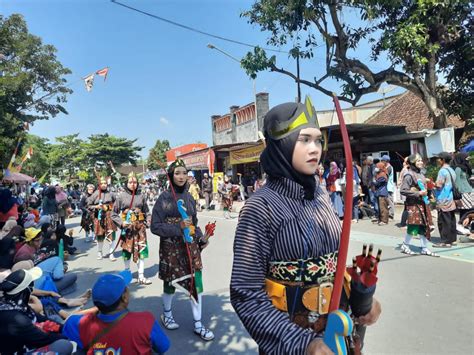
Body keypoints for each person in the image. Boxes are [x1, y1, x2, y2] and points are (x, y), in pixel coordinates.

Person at [230, 99, 380, 354]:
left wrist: (363, 302)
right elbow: (246, 293)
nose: (315, 148)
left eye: (318, 140)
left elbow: (333, 266)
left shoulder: (321, 195)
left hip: (339, 337)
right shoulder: (260, 207)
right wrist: (303, 343)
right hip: (294, 343)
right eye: (304, 140)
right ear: (281, 145)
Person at [150, 159, 215, 341]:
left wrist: (201, 238)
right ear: (171, 175)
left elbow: (194, 223)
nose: (181, 176)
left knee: (197, 283)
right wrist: (178, 227)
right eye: (177, 173)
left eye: (184, 173)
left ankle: (198, 324)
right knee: (170, 283)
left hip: (190, 247)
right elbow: (155, 226)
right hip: (171, 248)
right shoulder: (163, 198)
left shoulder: (190, 198)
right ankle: (167, 314)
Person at [62, 270, 170, 354]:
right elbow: (163, 347)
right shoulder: (145, 321)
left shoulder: (80, 323)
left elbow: (68, 323)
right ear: (125, 297)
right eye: (126, 289)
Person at [0, 268, 74, 354]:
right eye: (31, 287)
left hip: (29, 340)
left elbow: (41, 318)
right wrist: (69, 336)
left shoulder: (14, 304)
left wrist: (64, 328)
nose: (33, 290)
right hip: (20, 351)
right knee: (65, 345)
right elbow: (42, 338)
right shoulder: (14, 317)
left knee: (61, 323)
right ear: (26, 291)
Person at [111, 172, 151, 285]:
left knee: (142, 250)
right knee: (127, 251)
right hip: (127, 229)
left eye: (135, 182)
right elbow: (113, 214)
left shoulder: (142, 196)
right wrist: (121, 223)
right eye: (130, 182)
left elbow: (147, 211)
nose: (133, 184)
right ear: (126, 183)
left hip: (140, 228)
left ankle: (141, 276)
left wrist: (148, 221)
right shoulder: (121, 197)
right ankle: (127, 273)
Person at [399, 154, 438, 256]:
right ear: (412, 163)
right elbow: (403, 190)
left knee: (424, 225)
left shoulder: (421, 174)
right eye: (418, 161)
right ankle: (405, 245)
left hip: (423, 203)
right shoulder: (409, 175)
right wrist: (418, 193)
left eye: (421, 160)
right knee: (414, 225)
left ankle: (424, 248)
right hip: (413, 204)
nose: (420, 162)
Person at [87, 176, 117, 261]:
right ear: (99, 184)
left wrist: (113, 209)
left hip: (109, 216)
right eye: (102, 183)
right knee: (100, 236)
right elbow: (88, 206)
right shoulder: (95, 194)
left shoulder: (111, 194)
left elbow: (116, 203)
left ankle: (111, 253)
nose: (104, 185)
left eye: (105, 183)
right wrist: (96, 206)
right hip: (99, 217)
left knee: (112, 236)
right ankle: (99, 252)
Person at [432, 152, 458, 247]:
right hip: (450, 197)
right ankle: (452, 239)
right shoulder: (451, 170)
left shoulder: (442, 171)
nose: (437, 160)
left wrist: (431, 183)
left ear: (442, 160)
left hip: (443, 198)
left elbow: (439, 185)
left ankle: (445, 241)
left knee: (443, 220)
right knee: (451, 219)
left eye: (438, 158)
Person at [397, 157, 410, 228]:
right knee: (407, 207)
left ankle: (403, 222)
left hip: (405, 191)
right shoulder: (406, 170)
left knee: (406, 207)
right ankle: (403, 222)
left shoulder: (405, 169)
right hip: (406, 191)